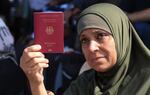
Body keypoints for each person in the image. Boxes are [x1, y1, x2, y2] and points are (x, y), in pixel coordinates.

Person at [20, 3, 150, 95]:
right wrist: (36, 81)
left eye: (100, 36)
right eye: (84, 40)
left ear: (122, 36)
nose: (91, 48)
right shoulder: (86, 81)